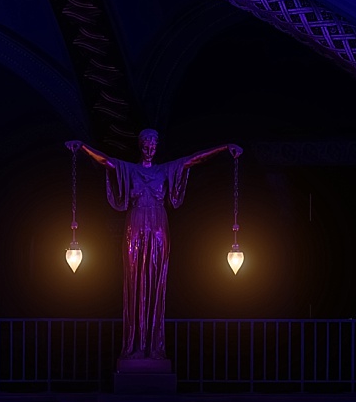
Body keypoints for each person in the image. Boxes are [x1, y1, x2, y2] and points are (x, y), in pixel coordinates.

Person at [67, 130, 241, 360]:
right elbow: (106, 161)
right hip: (136, 225)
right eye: (146, 144)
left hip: (159, 227)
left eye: (153, 144)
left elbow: (193, 160)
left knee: (156, 280)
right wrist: (82, 147)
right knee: (135, 280)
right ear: (140, 146)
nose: (149, 148)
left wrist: (222, 148)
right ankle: (133, 344)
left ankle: (154, 345)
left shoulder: (164, 170)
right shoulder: (129, 169)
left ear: (157, 147)